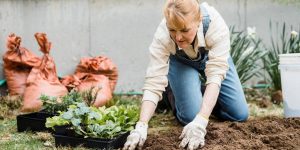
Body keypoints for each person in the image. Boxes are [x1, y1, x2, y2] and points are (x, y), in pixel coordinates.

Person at [123, 0, 249, 149]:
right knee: (190, 116)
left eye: (184, 30)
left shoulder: (215, 25)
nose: (178, 38)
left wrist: (202, 120)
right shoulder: (162, 35)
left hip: (213, 60)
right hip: (181, 62)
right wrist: (141, 126)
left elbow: (215, 76)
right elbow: (154, 82)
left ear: (198, 20)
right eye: (172, 30)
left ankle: (197, 94)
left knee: (239, 114)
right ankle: (171, 95)